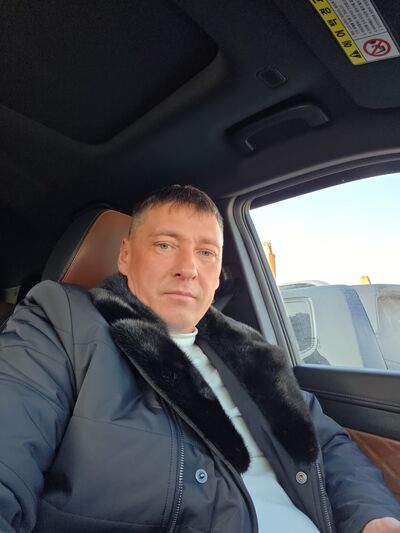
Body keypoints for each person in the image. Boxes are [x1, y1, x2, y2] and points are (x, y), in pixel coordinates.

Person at [0, 185, 399, 533]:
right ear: (125, 256)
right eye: (165, 245)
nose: (188, 269)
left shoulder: (250, 349)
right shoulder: (61, 322)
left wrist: (372, 517)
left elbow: (326, 442)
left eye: (206, 252)